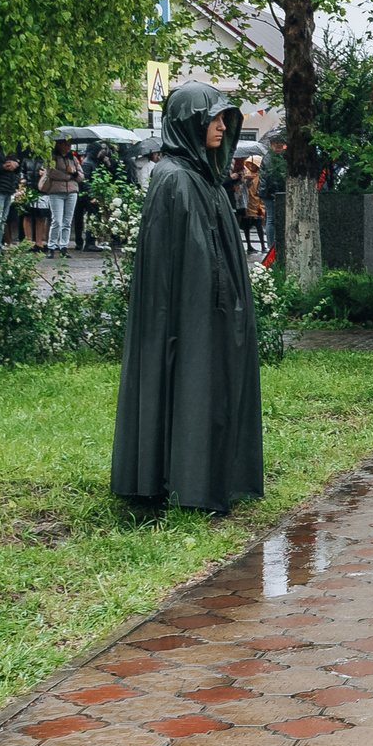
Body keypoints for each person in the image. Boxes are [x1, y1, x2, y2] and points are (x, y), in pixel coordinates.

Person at [111, 82, 263, 513]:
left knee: (210, 387)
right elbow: (181, 263)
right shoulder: (175, 179)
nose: (221, 126)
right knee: (191, 384)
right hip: (188, 314)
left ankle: (207, 477)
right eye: (212, 118)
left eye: (223, 119)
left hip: (207, 310)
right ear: (187, 124)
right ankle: (183, 482)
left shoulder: (203, 177)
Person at [38, 140, 83, 258]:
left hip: (72, 192)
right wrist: (69, 175)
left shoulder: (72, 159)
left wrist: (73, 172)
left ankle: (64, 246)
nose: (68, 147)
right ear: (59, 145)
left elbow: (81, 175)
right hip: (56, 191)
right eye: (66, 145)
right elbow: (52, 173)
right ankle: (51, 246)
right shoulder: (52, 158)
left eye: (69, 145)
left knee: (67, 222)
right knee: (56, 221)